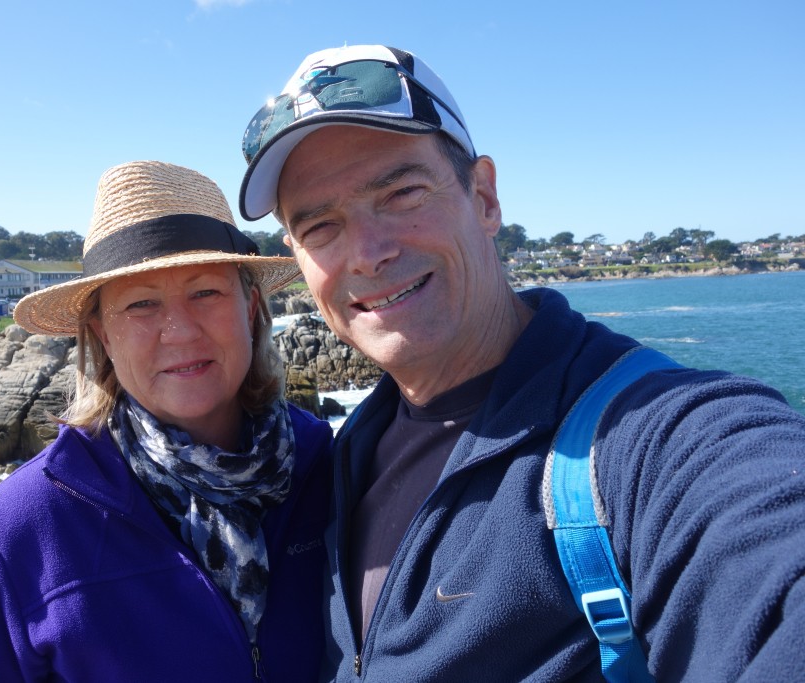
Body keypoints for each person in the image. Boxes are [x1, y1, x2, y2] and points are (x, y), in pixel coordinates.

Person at [238, 45, 805, 682]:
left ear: (483, 198)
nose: (366, 254)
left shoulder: (651, 440)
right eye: (321, 228)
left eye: (401, 193)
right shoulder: (345, 454)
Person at [0, 161, 333, 682]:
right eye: (142, 304)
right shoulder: (22, 525)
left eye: (205, 292)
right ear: (101, 334)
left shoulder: (326, 463)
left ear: (251, 306)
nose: (179, 331)